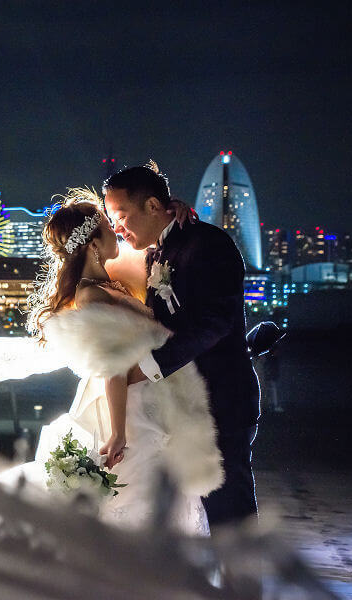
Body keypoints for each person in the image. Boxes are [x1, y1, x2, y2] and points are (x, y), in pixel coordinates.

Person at [5, 190, 223, 535]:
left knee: (158, 498)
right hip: (128, 407)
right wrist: (118, 432)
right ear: (93, 243)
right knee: (141, 499)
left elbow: (153, 244)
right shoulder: (91, 295)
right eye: (110, 226)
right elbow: (113, 367)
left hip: (149, 397)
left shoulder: (109, 281)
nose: (118, 230)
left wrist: (172, 214)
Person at [102, 162, 261, 529]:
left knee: (229, 512)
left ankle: (245, 568)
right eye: (112, 220)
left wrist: (150, 366)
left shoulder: (208, 243)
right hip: (183, 405)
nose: (117, 228)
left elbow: (215, 322)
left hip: (220, 399)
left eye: (121, 216)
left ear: (153, 206)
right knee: (198, 513)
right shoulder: (156, 251)